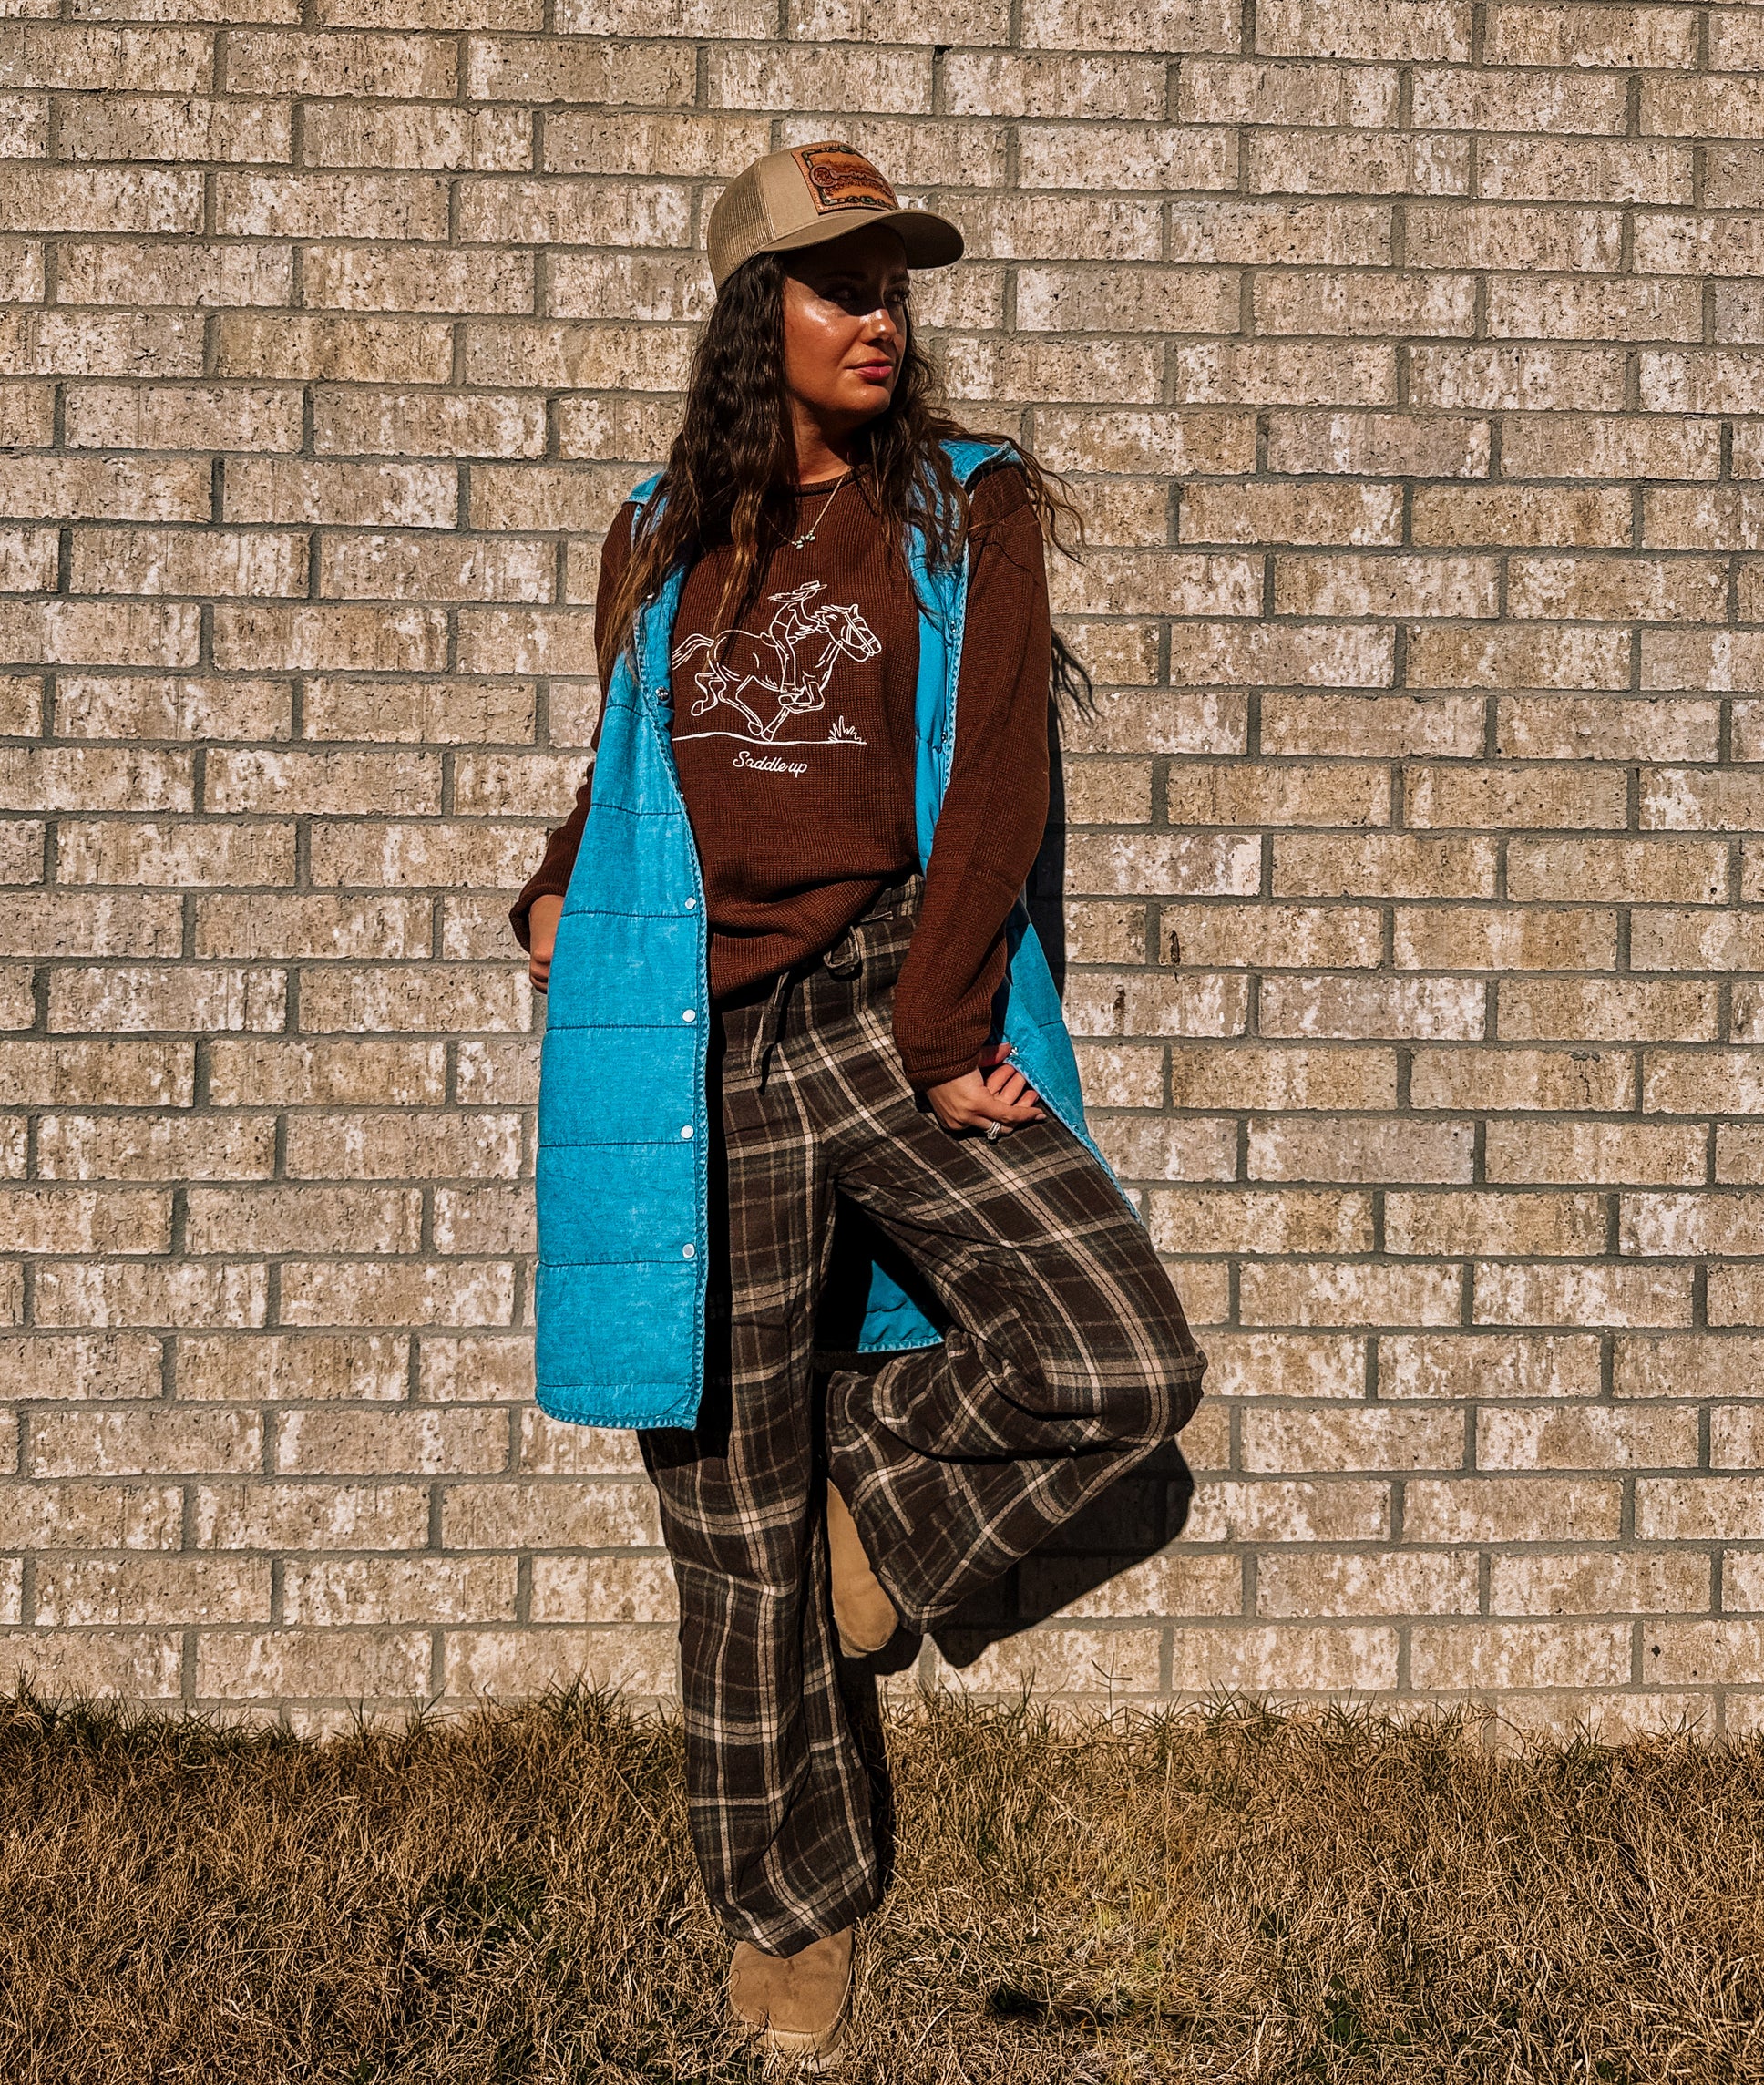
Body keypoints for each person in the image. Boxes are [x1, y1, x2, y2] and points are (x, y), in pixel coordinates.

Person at [510, 141, 1207, 2058]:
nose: (880, 314)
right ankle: (790, 1909)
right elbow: (632, 760)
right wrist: (553, 888)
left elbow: (994, 783)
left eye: (893, 281)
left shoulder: (963, 505)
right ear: (758, 315)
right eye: (840, 283)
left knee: (1117, 1356)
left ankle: (879, 1505)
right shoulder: (658, 526)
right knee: (722, 1515)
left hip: (887, 1004)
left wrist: (942, 1025)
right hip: (685, 1036)